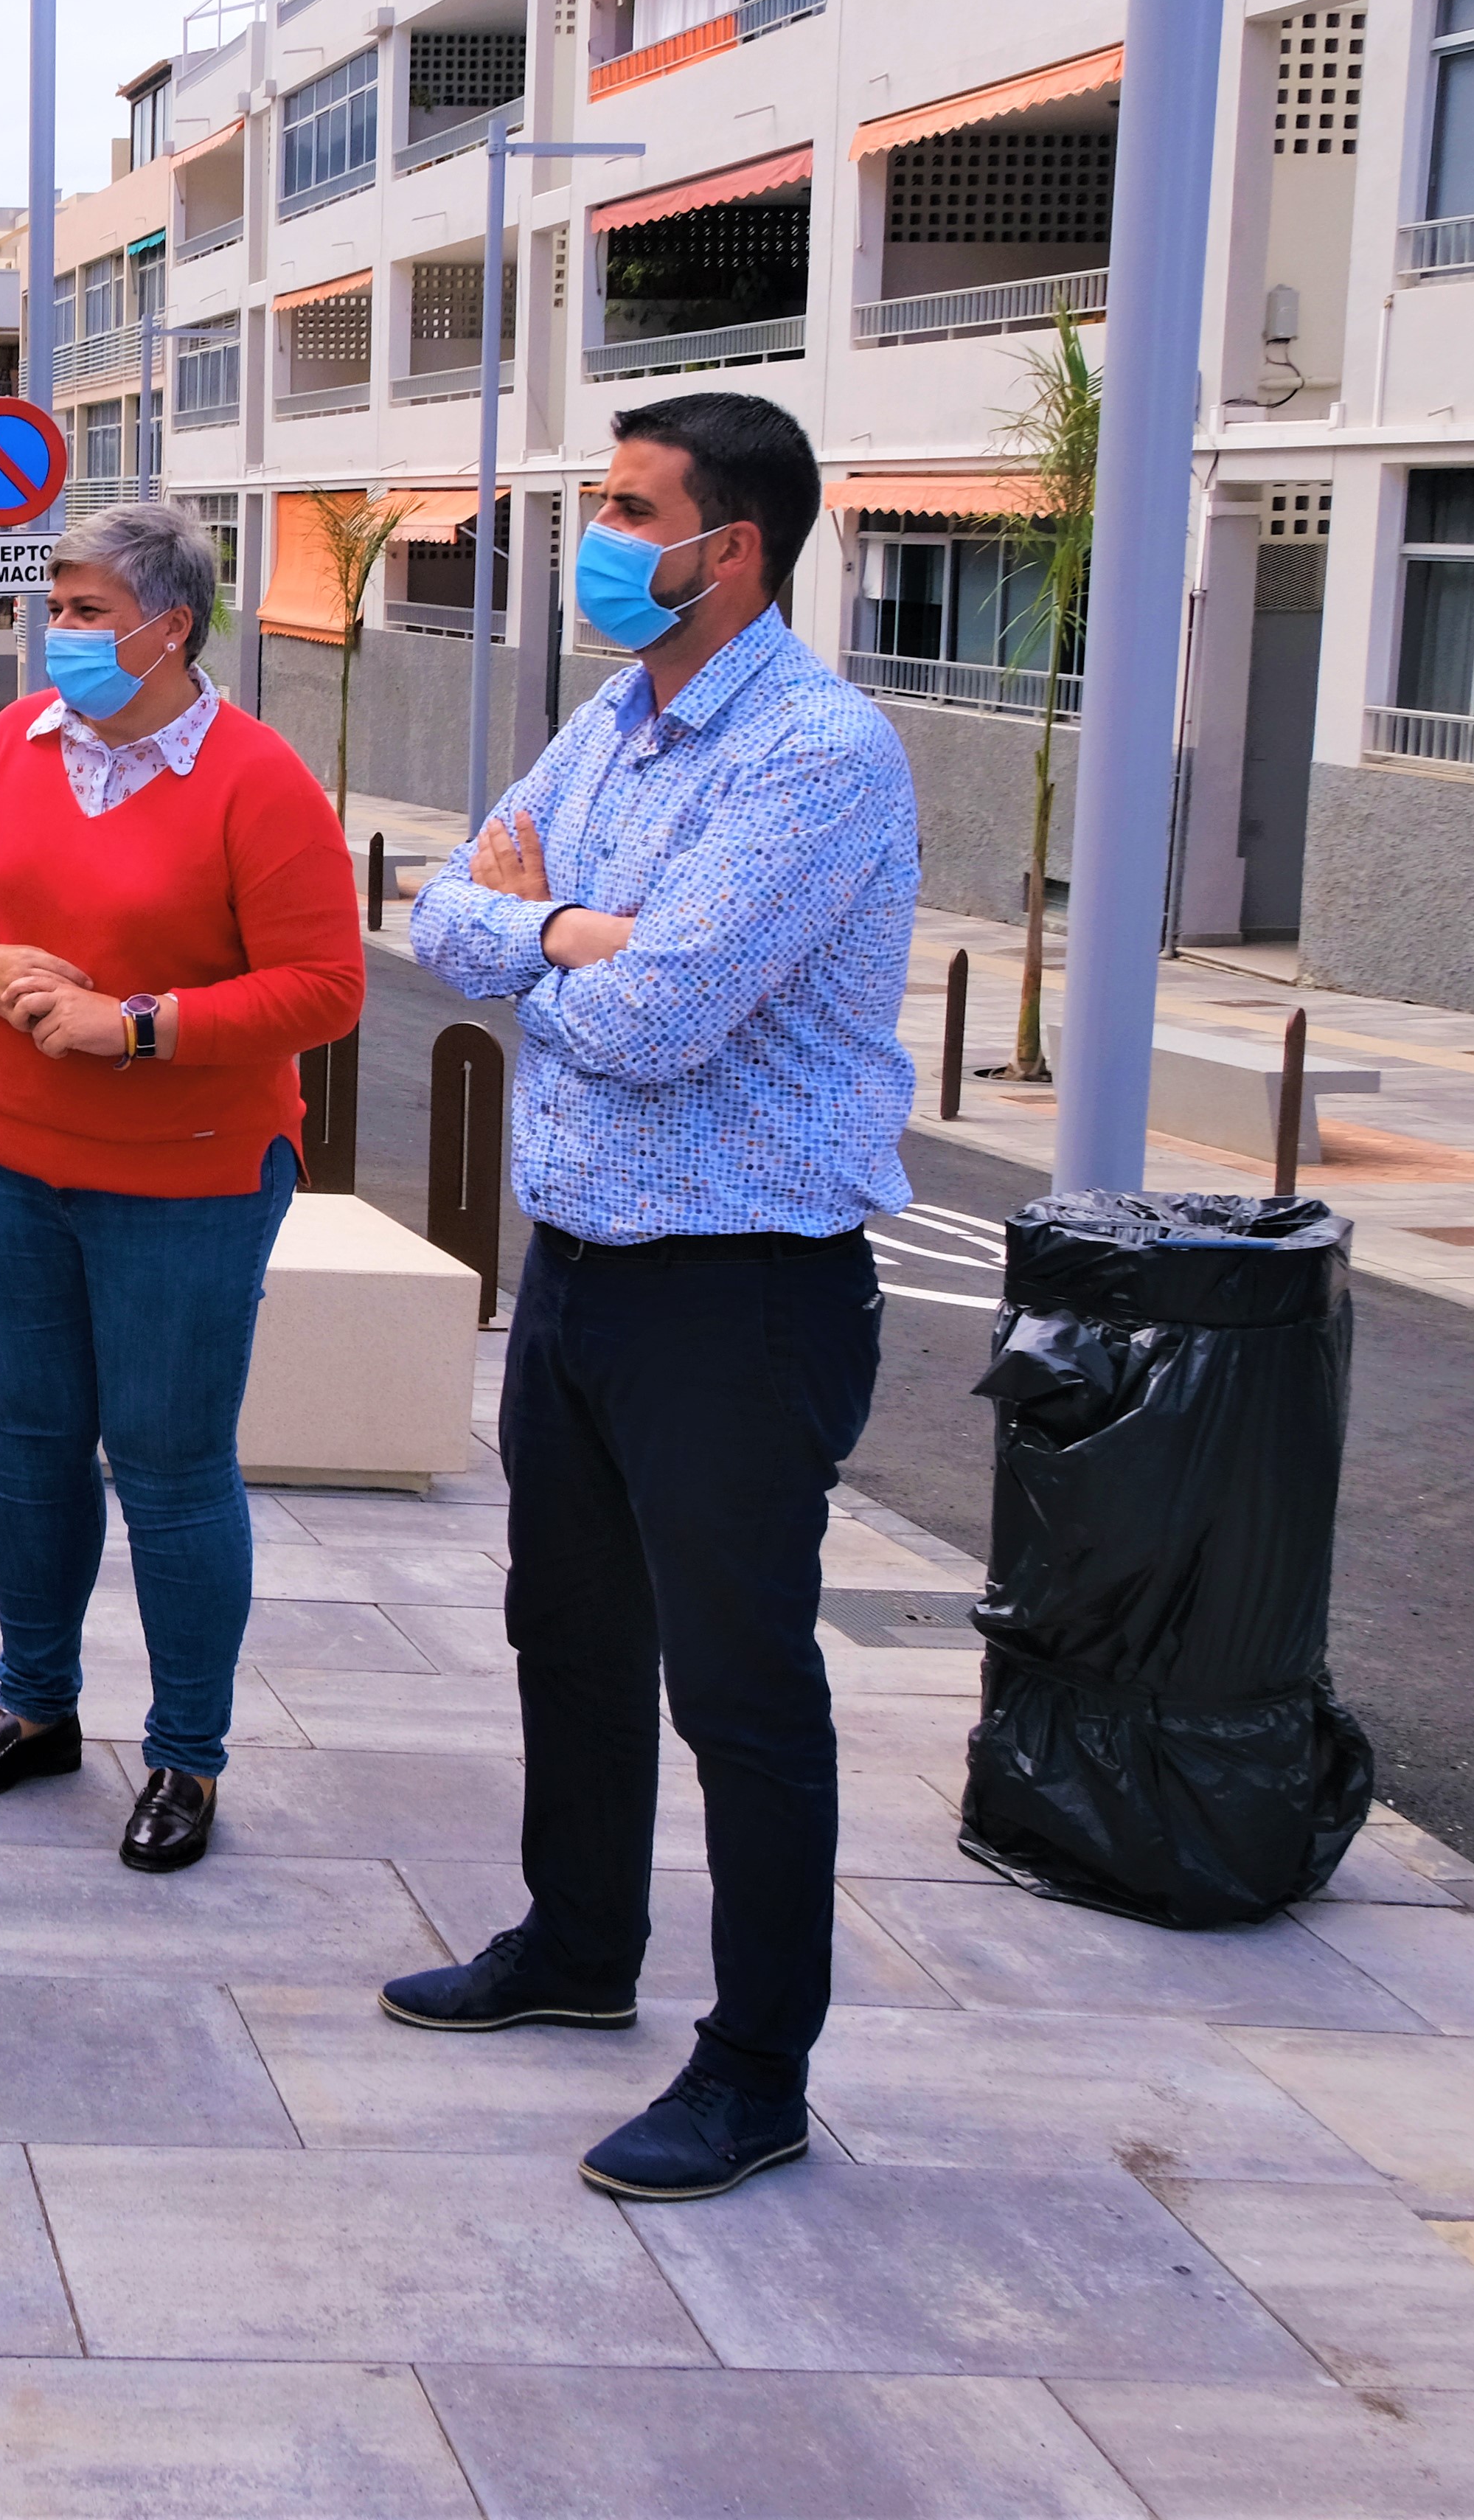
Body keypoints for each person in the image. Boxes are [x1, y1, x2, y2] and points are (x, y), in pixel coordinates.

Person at [384, 388, 919, 2204]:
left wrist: (548, 940)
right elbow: (435, 911)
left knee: (742, 1690)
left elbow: (661, 1019)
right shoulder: (611, 720)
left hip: (742, 1295)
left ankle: (757, 2069)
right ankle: (576, 1942)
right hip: (580, 1271)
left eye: (628, 510)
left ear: (730, 548)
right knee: (570, 1628)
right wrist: (565, 930)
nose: (597, 541)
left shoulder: (816, 755)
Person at [0, 501, 365, 1875]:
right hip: (11, 1157)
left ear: (172, 628)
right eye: (56, 606)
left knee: (169, 1466)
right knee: (29, 1445)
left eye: (89, 610)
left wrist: (143, 1025)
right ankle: (36, 1706)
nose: (62, 631)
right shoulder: (12, 744)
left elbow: (325, 987)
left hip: (190, 1180)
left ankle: (186, 1757)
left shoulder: (257, 779)